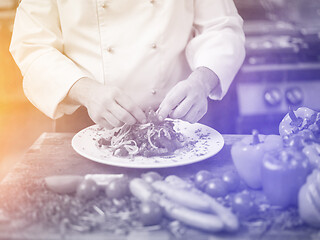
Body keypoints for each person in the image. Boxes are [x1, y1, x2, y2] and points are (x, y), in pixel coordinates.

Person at [10, 0, 245, 130]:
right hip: (86, 123)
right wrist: (86, 92)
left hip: (176, 119)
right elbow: (31, 44)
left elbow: (221, 27)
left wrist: (201, 82)